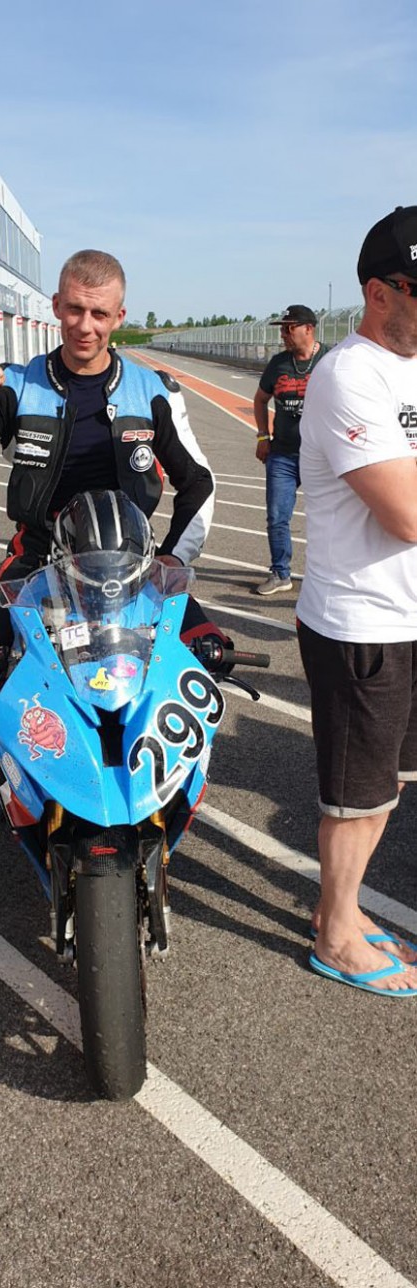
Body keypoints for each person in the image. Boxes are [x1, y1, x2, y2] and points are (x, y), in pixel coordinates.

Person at [0, 249, 218, 691]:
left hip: (133, 566)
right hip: (37, 561)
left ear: (118, 316)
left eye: (99, 314)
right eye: (75, 309)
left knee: (212, 653)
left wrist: (173, 558)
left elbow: (198, 481)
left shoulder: (152, 392)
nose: (85, 326)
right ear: (56, 306)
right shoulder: (17, 387)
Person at [297, 205, 417, 997]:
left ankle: (339, 907)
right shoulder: (349, 375)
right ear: (380, 292)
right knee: (356, 797)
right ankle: (336, 935)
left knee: (392, 784)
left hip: (408, 616)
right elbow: (407, 513)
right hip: (361, 623)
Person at [253, 305, 328, 595]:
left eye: (289, 328)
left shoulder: (330, 359)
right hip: (283, 454)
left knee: (328, 518)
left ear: (308, 328)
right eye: (282, 329)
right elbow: (260, 399)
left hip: (322, 457)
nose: (283, 334)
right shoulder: (279, 364)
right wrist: (263, 436)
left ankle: (326, 577)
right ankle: (280, 573)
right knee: (277, 516)